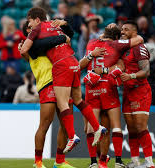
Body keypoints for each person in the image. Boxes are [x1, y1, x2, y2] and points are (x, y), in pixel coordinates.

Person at [20, 7, 106, 153]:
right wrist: (63, 33)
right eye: (28, 27)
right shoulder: (40, 40)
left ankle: (71, 142)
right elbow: (63, 39)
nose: (31, 27)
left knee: (63, 108)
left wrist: (65, 24)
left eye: (31, 23)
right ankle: (96, 127)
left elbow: (65, 37)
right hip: (64, 69)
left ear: (37, 20)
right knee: (73, 104)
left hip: (60, 70)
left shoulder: (41, 31)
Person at [80, 23, 144, 168]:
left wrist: (92, 56)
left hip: (92, 88)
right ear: (116, 37)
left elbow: (80, 65)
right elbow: (139, 39)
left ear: (104, 33)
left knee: (91, 129)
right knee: (113, 127)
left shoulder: (91, 43)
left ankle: (94, 162)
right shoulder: (116, 45)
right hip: (108, 87)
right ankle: (118, 161)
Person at [20, 19, 75, 168]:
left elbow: (68, 36)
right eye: (30, 28)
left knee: (65, 125)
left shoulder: (46, 40)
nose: (34, 30)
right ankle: (38, 162)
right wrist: (63, 37)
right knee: (45, 124)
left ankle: (60, 161)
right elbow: (47, 43)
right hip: (47, 84)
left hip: (62, 81)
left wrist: (64, 24)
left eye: (35, 27)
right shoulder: (30, 46)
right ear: (26, 31)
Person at [120, 20, 155, 168]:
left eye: (126, 30)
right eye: (122, 29)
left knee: (141, 126)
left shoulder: (140, 48)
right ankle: (135, 161)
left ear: (134, 32)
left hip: (140, 90)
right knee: (131, 128)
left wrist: (131, 76)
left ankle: (149, 162)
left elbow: (146, 71)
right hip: (127, 92)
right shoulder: (124, 48)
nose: (122, 32)